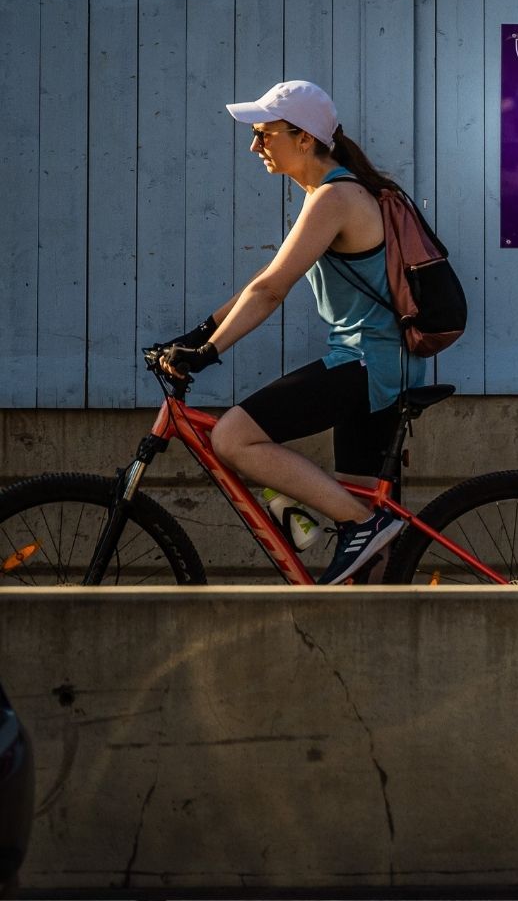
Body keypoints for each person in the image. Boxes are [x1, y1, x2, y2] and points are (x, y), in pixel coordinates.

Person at [157, 81, 426, 584]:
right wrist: (197, 335)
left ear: (304, 138)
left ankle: (366, 525)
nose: (254, 146)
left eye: (264, 133)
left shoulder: (335, 197)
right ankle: (376, 571)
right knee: (368, 551)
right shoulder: (331, 192)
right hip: (383, 365)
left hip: (367, 363)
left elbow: (270, 291)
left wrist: (208, 352)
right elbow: (266, 279)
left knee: (233, 437)